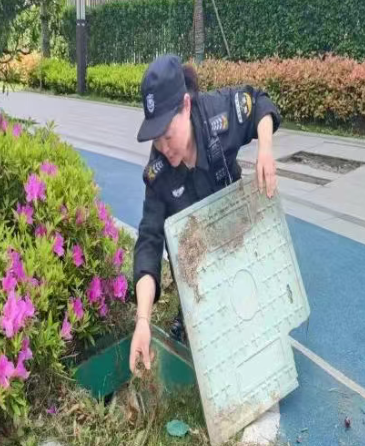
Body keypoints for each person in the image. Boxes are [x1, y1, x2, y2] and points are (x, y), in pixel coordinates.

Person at [129, 54, 281, 374]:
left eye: (167, 135)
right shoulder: (158, 174)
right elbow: (149, 242)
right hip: (195, 254)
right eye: (156, 138)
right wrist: (143, 320)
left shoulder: (216, 116)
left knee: (252, 325)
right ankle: (189, 313)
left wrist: (265, 150)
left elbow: (258, 101)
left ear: (186, 106)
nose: (163, 146)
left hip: (235, 230)